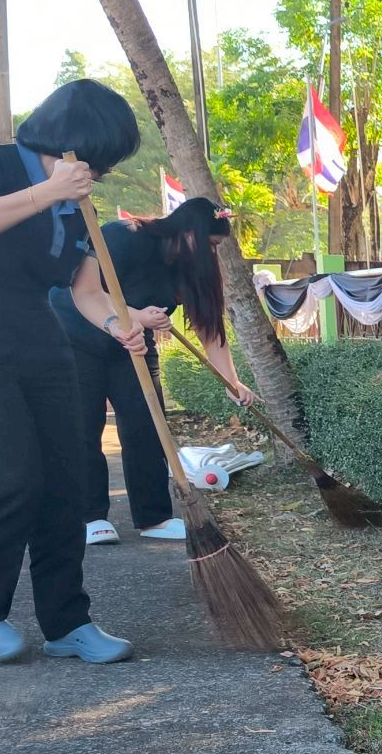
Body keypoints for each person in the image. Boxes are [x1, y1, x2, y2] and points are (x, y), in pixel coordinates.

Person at [0, 79, 143, 665]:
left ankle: (68, 623)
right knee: (11, 480)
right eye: (103, 154)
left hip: (38, 334)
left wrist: (119, 323)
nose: (101, 169)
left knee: (68, 482)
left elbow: (87, 291)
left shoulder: (81, 202)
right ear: (80, 137)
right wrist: (47, 191)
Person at [52, 196, 258, 545]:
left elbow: (210, 329)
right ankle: (89, 516)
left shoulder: (190, 269)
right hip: (77, 337)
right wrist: (135, 316)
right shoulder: (125, 235)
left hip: (133, 348)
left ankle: (154, 516)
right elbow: (86, 291)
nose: (213, 254)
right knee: (84, 426)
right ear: (190, 232)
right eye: (211, 244)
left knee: (147, 425)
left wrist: (231, 381)